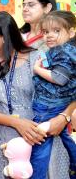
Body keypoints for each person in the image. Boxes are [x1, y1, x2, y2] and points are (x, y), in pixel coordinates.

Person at [0, 11, 45, 178]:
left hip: (35, 136)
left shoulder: (35, 58)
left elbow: (52, 95)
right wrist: (16, 122)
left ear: (4, 37)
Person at [20, 0, 70, 178]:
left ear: (48, 7)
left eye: (30, 4)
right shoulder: (17, 38)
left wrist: (65, 116)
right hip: (21, 114)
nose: (25, 9)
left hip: (53, 112)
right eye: (23, 5)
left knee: (52, 164)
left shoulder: (61, 40)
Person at [30, 11, 76, 179]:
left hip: (49, 105)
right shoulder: (63, 50)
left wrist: (37, 70)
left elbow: (60, 78)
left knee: (38, 148)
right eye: (46, 31)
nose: (49, 35)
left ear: (71, 33)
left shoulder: (64, 52)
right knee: (69, 140)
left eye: (56, 31)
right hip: (61, 104)